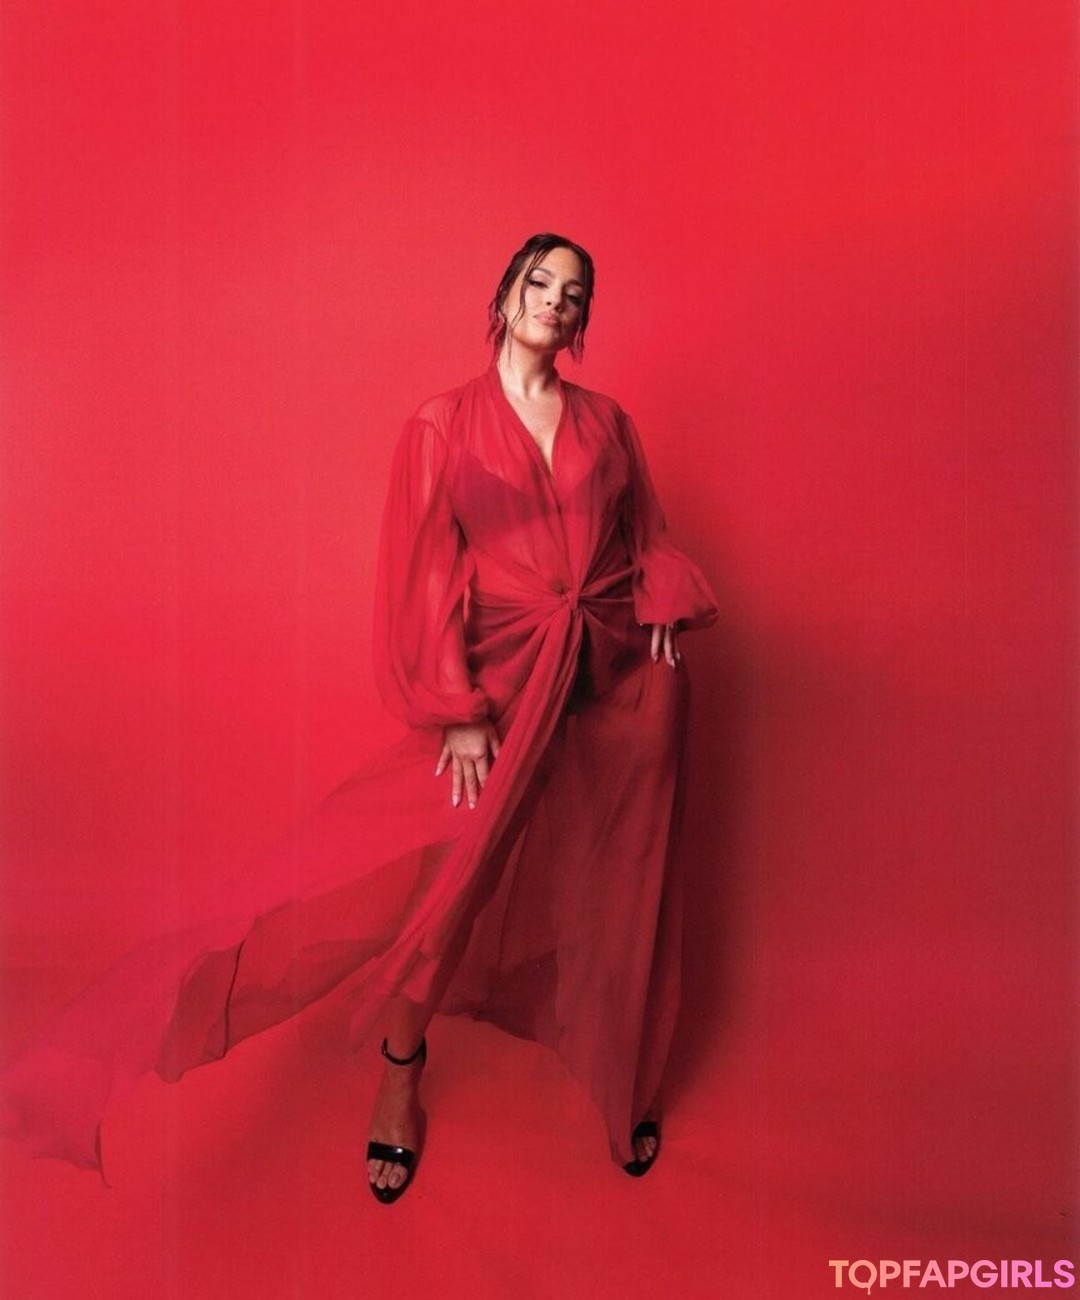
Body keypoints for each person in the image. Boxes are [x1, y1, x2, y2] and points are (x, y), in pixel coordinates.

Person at [1, 233, 718, 1204]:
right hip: (500, 681)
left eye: (574, 292)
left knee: (622, 881)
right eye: (539, 281)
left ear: (584, 318)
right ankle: (399, 1070)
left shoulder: (608, 421)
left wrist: (662, 602)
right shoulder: (442, 424)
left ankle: (620, 1076)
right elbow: (424, 571)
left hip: (618, 682)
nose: (556, 299)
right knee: (444, 893)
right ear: (504, 295)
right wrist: (456, 709)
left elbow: (646, 533)